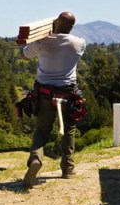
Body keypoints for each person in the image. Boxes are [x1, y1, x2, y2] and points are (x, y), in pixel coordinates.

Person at [19, 11, 86, 188]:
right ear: (71, 27)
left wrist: (42, 37)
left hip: (44, 94)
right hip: (67, 94)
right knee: (69, 130)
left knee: (42, 130)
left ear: (55, 23)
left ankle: (35, 159)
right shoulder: (78, 43)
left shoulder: (41, 42)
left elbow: (24, 55)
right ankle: (68, 168)